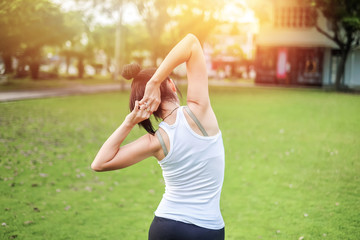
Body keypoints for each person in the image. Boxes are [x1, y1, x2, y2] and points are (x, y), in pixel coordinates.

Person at [91, 34, 225, 240]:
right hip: (205, 229)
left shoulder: (155, 141)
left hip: (165, 227)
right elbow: (191, 42)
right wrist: (156, 80)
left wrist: (129, 122)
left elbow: (99, 163)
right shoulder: (199, 112)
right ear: (171, 85)